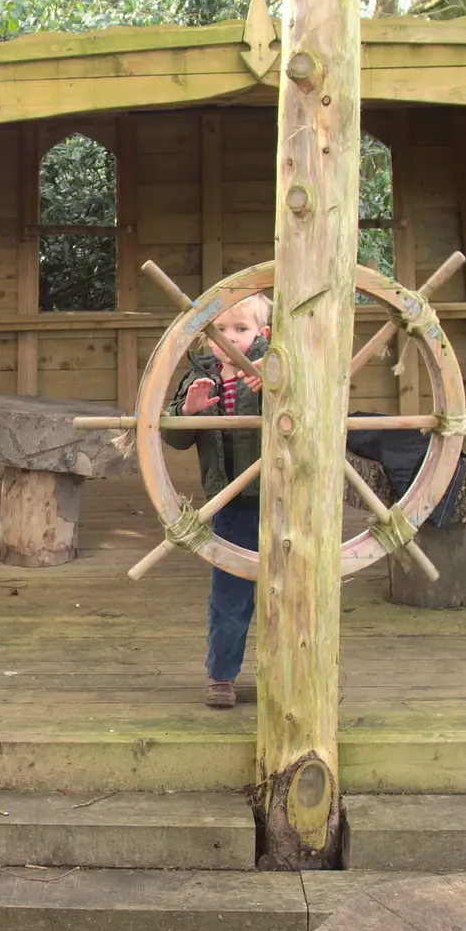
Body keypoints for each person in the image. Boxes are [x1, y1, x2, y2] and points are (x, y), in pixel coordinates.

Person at [161, 294, 270, 710]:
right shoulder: (198, 376)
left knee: (290, 592)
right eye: (218, 330)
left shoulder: (276, 367)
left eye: (240, 329)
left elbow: (310, 404)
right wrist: (188, 413)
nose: (228, 338)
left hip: (283, 499)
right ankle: (222, 676)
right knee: (229, 596)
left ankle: (287, 674)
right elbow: (174, 437)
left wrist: (278, 380)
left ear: (263, 334)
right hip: (230, 503)